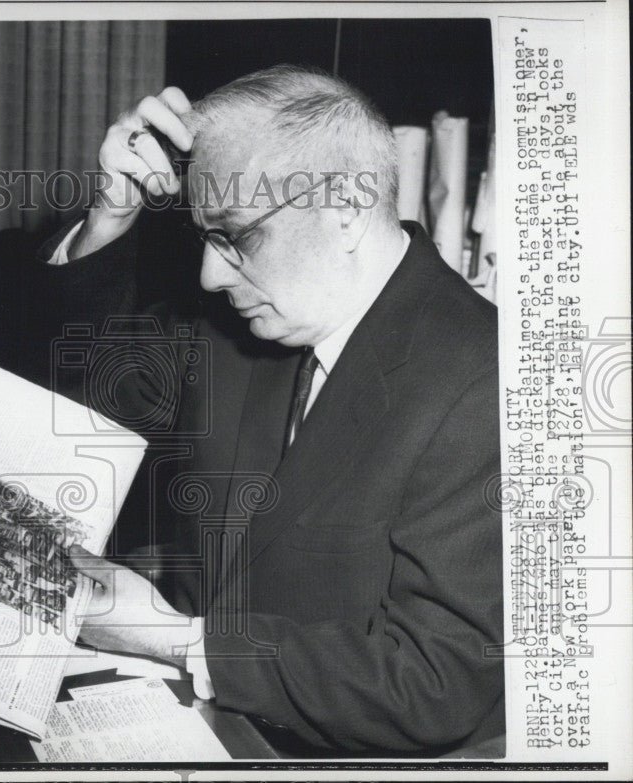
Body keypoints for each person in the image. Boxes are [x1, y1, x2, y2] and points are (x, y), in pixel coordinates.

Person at [40, 65, 504, 757]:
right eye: (204, 237)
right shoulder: (250, 319)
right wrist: (110, 216)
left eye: (234, 237)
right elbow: (95, 400)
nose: (209, 275)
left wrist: (177, 636)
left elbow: (433, 682)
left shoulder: (486, 377)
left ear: (345, 206)